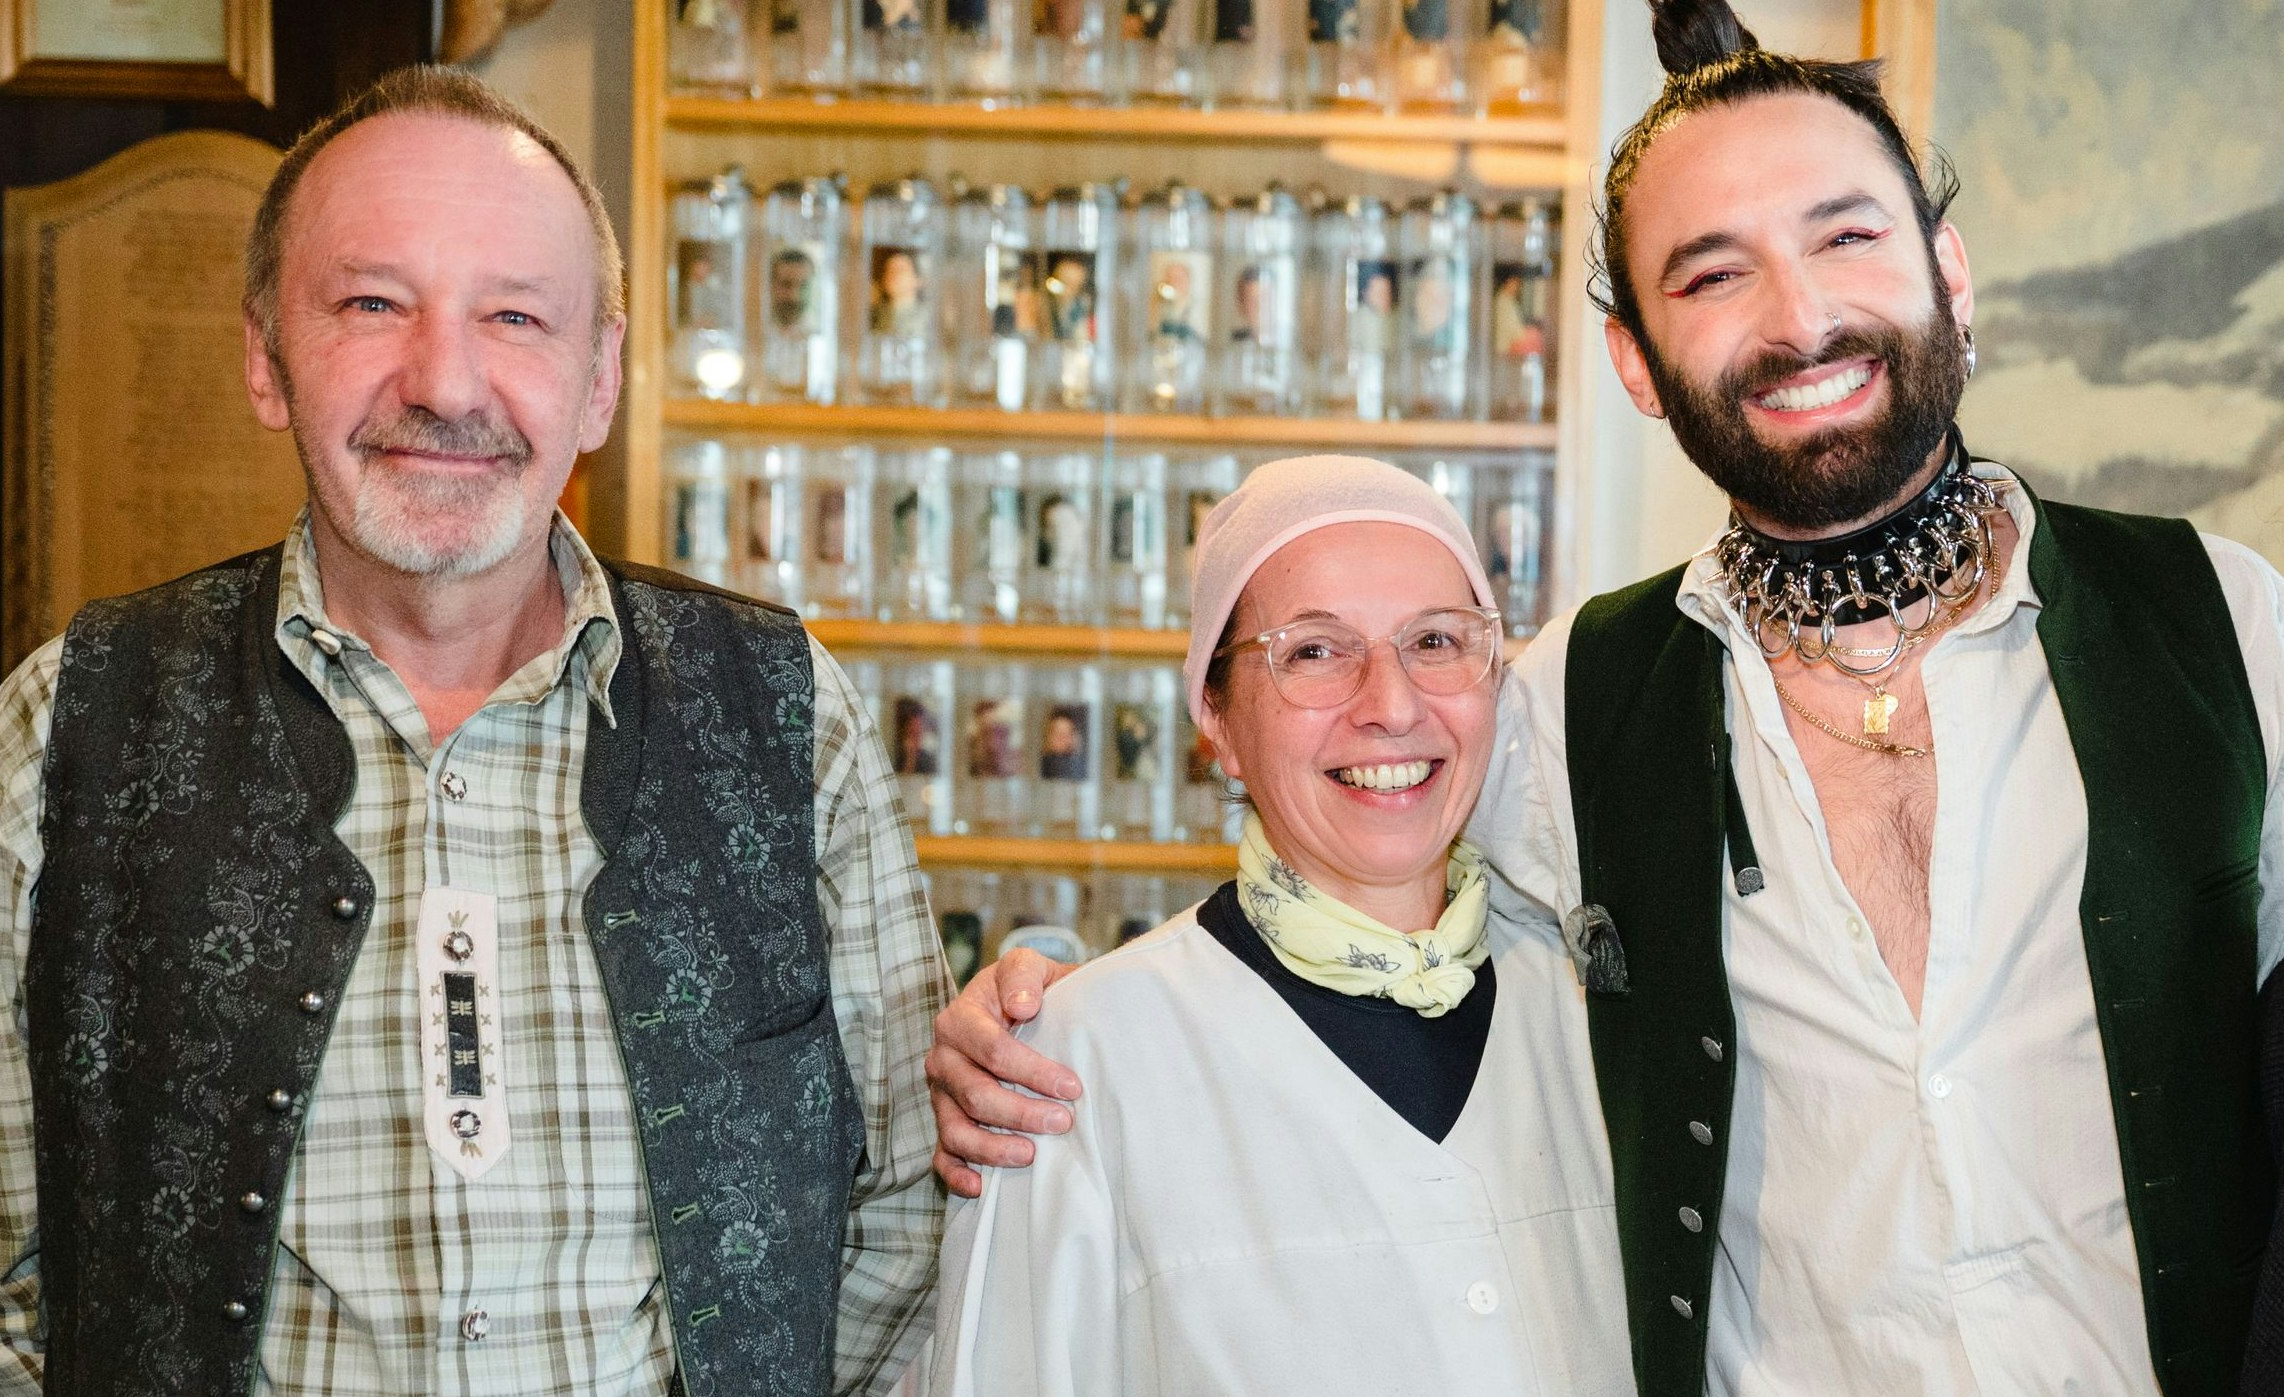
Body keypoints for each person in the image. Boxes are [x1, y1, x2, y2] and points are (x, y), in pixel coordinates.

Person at [925, 3, 2284, 1393]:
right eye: (1711, 276)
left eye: (1847, 235)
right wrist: (1034, 997)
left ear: (1949, 266)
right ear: (1638, 361)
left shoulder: (2225, 624)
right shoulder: (1569, 701)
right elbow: (1349, 859)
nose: (1801, 316)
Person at [0, 66, 951, 1397]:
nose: (446, 381)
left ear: (599, 380)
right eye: (373, 304)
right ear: (267, 358)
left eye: (516, 316)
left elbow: (906, 1219)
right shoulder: (60, 726)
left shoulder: (793, 715)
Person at [928, 456, 1628, 1394]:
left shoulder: (1606, 1014)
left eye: (1436, 640)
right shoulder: (1070, 1067)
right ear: (1213, 712)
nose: (1390, 704)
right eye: (1313, 650)